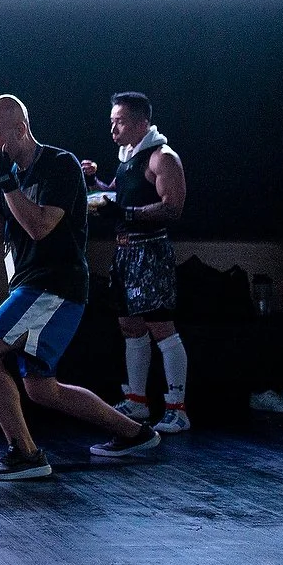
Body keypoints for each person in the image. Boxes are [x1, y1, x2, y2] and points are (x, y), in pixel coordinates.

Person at [0, 95, 161, 480]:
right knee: (42, 389)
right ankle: (135, 434)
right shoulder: (4, 169)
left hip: (54, 286)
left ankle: (26, 455)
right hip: (29, 285)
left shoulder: (60, 165)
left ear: (20, 130)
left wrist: (3, 179)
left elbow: (39, 226)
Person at [82, 92, 190, 433]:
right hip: (125, 251)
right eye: (112, 122)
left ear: (141, 124)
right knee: (130, 325)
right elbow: (117, 194)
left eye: (120, 122)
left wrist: (124, 211)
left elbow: (172, 208)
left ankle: (177, 408)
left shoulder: (162, 158)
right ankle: (138, 402)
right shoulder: (129, 157)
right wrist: (93, 184)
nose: (113, 129)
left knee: (161, 326)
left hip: (151, 251)